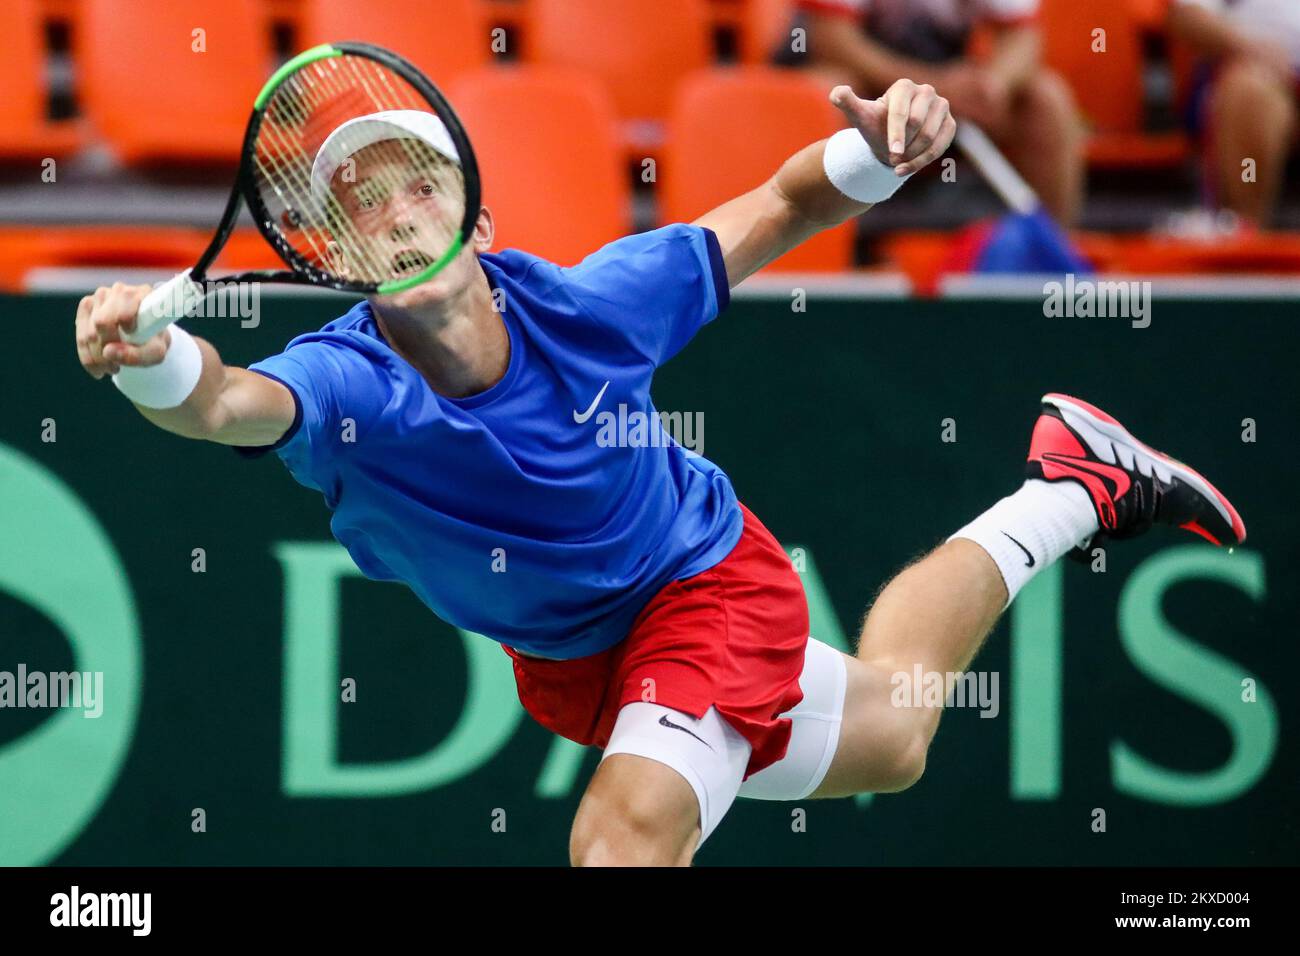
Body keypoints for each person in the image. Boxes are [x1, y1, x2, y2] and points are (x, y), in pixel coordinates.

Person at [74, 79, 1243, 866]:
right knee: (895, 730)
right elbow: (226, 400)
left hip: (702, 585)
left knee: (621, 839)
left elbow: (783, 202)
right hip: (577, 654)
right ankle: (1072, 486)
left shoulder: (594, 305)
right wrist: (148, 358)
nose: (399, 215)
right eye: (364, 206)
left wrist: (878, 146)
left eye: (422, 185)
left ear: (478, 222)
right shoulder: (347, 387)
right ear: (333, 257)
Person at [778, 0, 1084, 223]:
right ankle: (820, 260)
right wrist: (933, 87)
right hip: (864, 83)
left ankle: (1053, 263)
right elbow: (832, 40)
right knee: (825, 91)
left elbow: (1023, 37)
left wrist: (991, 85)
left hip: (946, 89)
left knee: (1047, 100)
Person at [1170, 0, 1300, 226]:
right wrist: (1252, 48)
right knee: (1251, 91)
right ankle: (1244, 232)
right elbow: (1187, 16)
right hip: (1259, 71)